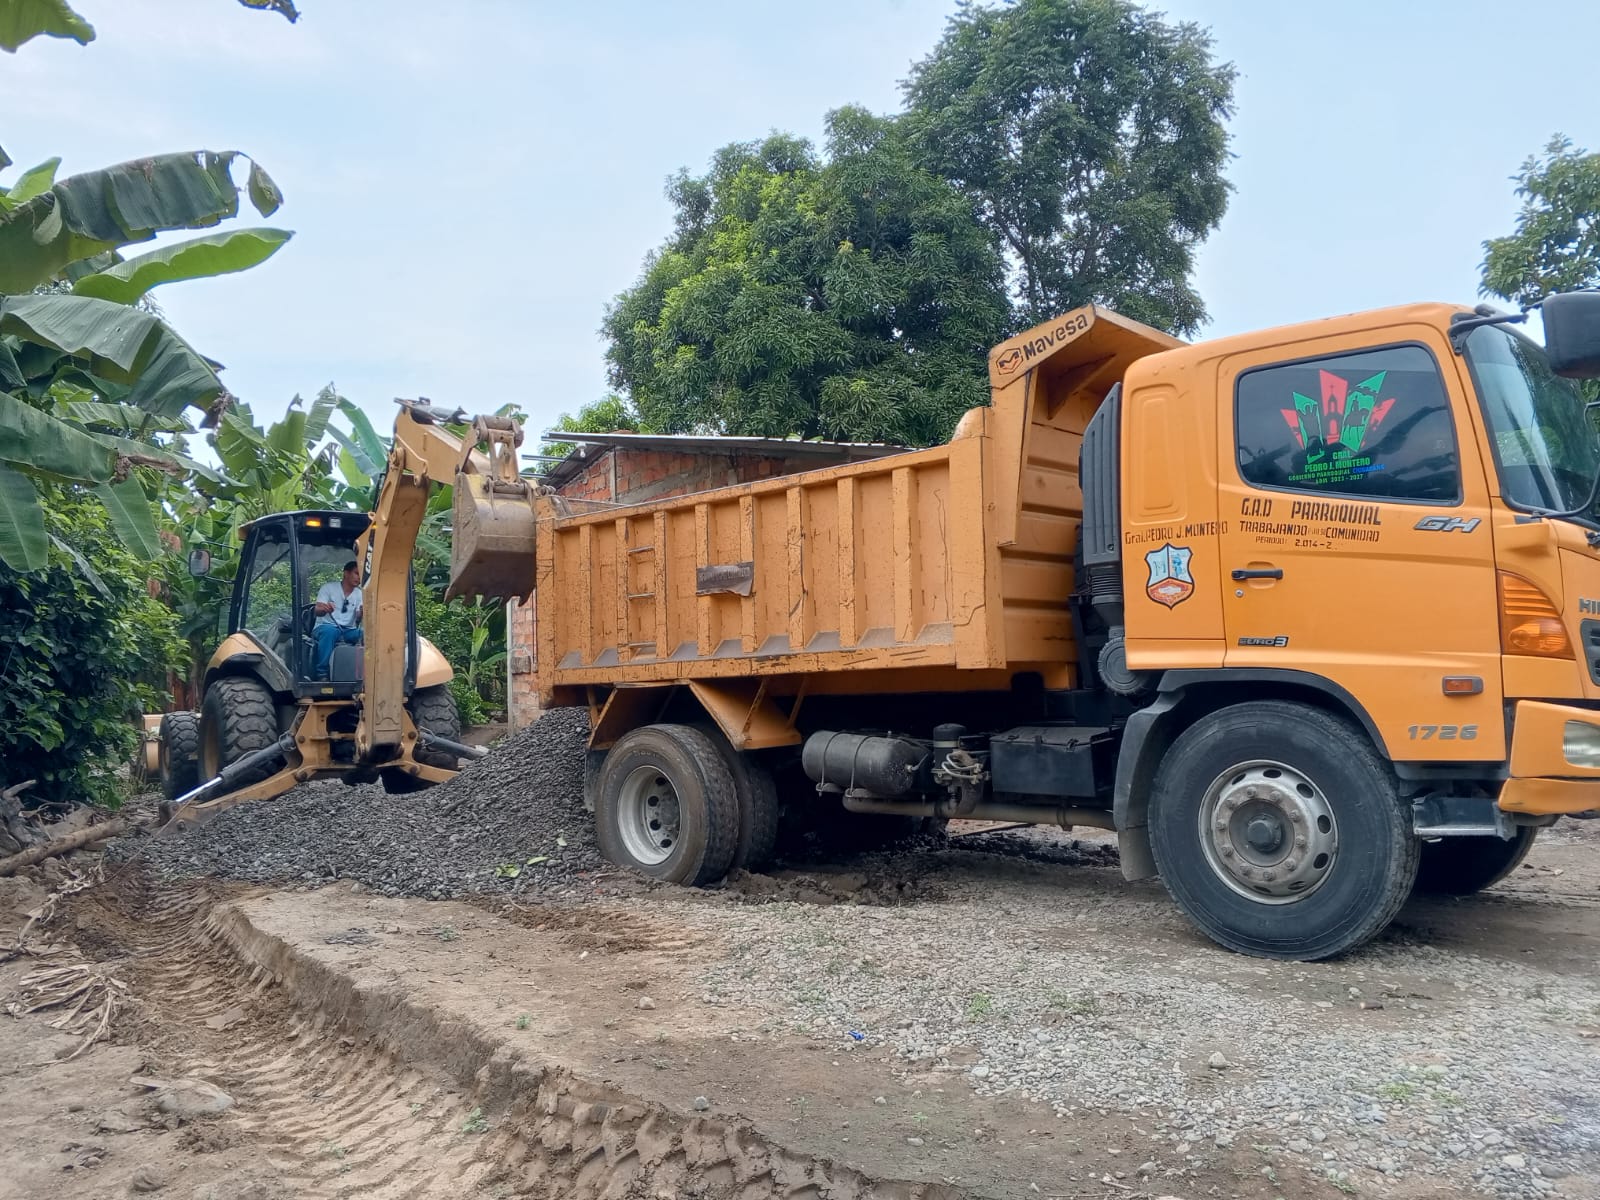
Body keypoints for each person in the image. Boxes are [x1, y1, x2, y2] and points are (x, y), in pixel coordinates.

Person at [313, 560, 363, 679]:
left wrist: (362, 612)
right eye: (356, 573)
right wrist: (325, 609)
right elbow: (317, 610)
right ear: (346, 573)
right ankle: (322, 672)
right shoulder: (328, 588)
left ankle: (365, 672)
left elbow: (358, 617)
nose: (359, 578)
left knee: (366, 635)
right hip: (325, 627)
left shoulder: (359, 594)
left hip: (348, 630)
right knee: (330, 632)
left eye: (361, 575)